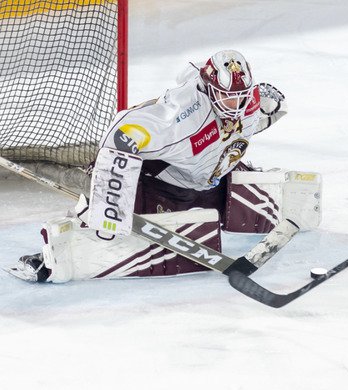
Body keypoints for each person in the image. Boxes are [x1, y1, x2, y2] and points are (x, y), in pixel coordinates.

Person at [12, 49, 320, 283]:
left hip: (205, 180)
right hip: (159, 182)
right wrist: (110, 206)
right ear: (211, 89)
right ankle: (51, 257)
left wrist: (264, 110)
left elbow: (250, 120)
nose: (237, 107)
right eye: (228, 99)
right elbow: (122, 134)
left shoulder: (249, 102)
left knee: (229, 177)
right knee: (106, 223)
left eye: (242, 97)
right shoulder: (182, 116)